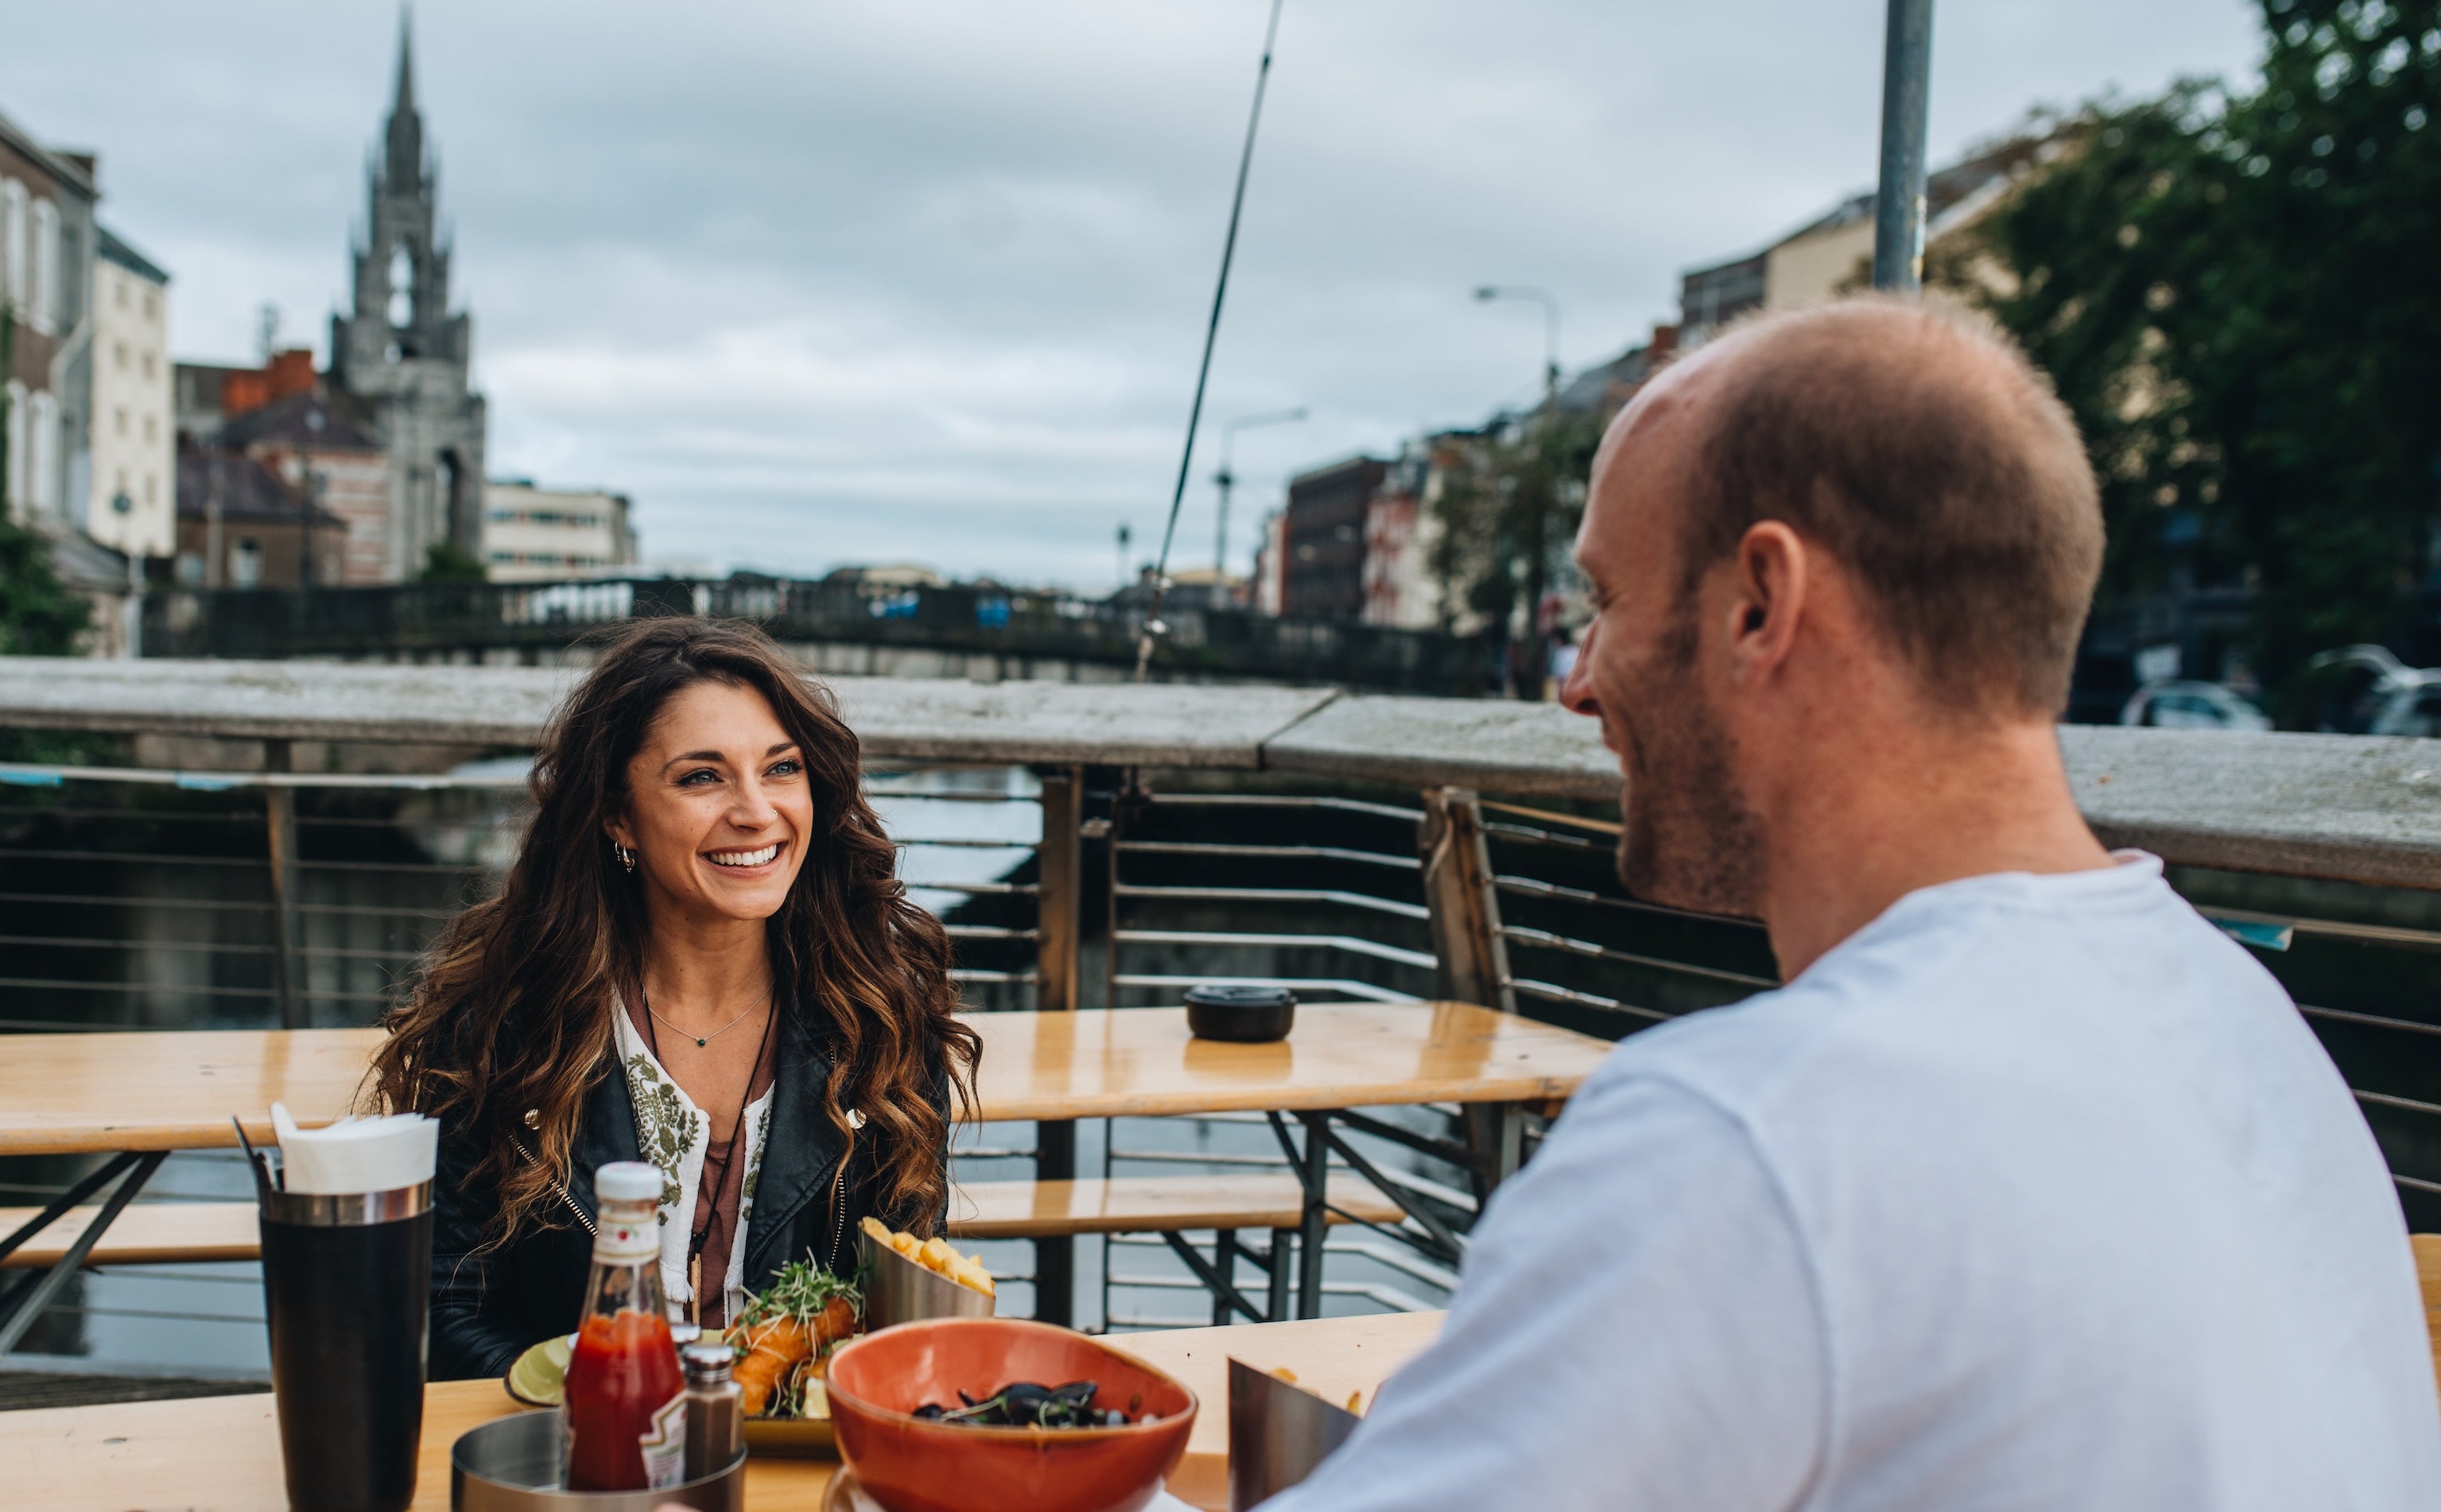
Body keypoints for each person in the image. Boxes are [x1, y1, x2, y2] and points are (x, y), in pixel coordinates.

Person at [1270, 298, 2441, 1509]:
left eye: (1607, 599)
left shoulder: (1747, 1138)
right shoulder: (2253, 1033)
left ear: (1761, 603)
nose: (1578, 680)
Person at [374, 618, 977, 1380]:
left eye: (782, 769)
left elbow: (909, 1305)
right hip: (571, 1468)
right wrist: (600, 1405)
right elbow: (448, 1313)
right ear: (617, 813)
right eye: (702, 777)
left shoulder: (879, 1020)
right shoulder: (506, 1024)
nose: (757, 811)